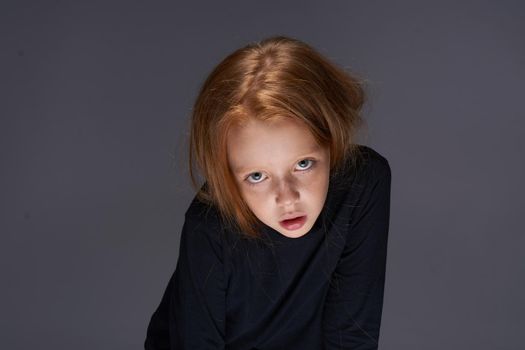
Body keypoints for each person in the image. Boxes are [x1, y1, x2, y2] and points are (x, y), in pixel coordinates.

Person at [144, 35, 391, 349]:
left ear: (332, 140)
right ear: (227, 174)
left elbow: (352, 335)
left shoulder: (364, 183)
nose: (287, 198)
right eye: (257, 176)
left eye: (303, 164)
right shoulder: (208, 225)